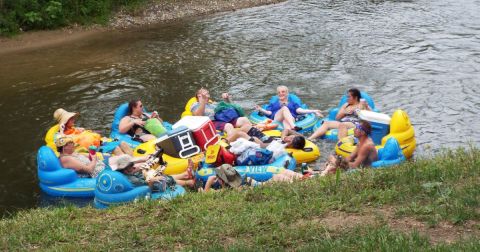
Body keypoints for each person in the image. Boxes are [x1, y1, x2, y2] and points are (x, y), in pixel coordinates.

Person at [53, 108, 133, 156]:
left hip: (99, 144)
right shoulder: (58, 135)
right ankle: (129, 168)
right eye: (71, 118)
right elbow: (61, 142)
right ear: (65, 121)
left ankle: (134, 163)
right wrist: (62, 131)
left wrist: (80, 130)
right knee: (115, 148)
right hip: (91, 150)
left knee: (122, 143)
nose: (73, 119)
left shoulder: (74, 129)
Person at [255, 86, 323, 131]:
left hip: (290, 119)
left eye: (283, 92)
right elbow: (269, 113)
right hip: (278, 118)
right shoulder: (274, 103)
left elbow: (300, 111)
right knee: (284, 108)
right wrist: (261, 109)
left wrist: (314, 111)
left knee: (287, 124)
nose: (281, 93)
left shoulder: (292, 103)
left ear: (287, 93)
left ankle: (289, 136)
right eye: (279, 92)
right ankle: (294, 126)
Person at [111, 155, 197, 190]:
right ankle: (189, 182)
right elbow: (147, 187)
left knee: (161, 175)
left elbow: (137, 171)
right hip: (151, 186)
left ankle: (185, 175)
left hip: (145, 180)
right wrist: (152, 179)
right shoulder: (133, 179)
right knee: (165, 179)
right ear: (125, 169)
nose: (134, 167)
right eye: (131, 166)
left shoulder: (126, 174)